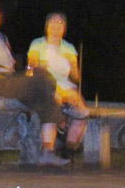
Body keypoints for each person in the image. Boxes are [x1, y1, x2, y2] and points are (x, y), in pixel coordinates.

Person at [0, 0, 69, 166]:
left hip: (12, 84)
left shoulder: (3, 38)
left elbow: (13, 68)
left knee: (46, 99)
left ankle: (47, 152)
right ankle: (61, 118)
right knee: (42, 75)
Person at [28, 13, 89, 157]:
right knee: (55, 102)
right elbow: (32, 67)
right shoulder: (38, 44)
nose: (56, 25)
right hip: (46, 85)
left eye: (60, 22)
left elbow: (75, 78)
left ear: (64, 28)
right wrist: (44, 64)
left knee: (82, 112)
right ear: (47, 26)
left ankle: (68, 149)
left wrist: (73, 65)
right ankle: (61, 127)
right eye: (53, 22)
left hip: (67, 86)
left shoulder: (68, 47)